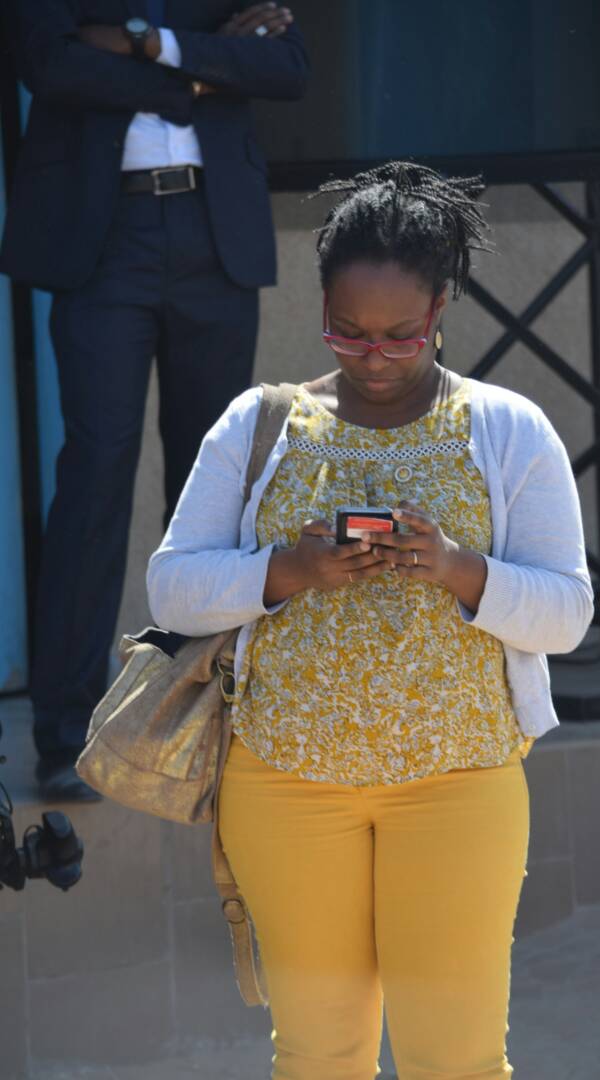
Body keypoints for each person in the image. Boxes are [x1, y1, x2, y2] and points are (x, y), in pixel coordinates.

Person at [146, 162, 594, 1080]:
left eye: (401, 336)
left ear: (440, 312)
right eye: (348, 334)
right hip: (286, 784)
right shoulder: (258, 426)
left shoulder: (508, 428)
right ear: (321, 308)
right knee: (317, 1059)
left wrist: (460, 570)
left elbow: (570, 614)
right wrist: (289, 570)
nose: (375, 356)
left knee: (458, 1060)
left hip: (459, 782)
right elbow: (172, 592)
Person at [0, 0, 308, 801]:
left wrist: (149, 46)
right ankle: (68, 737)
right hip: (106, 242)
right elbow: (53, 65)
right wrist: (199, 72)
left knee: (212, 494)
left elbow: (283, 65)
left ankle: (203, 718)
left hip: (215, 233)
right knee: (96, 473)